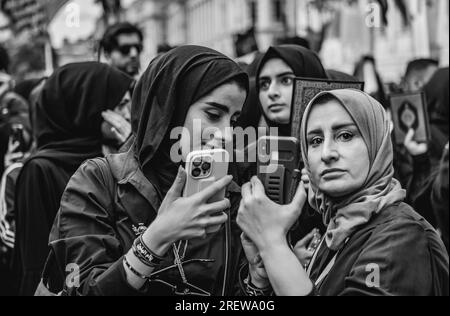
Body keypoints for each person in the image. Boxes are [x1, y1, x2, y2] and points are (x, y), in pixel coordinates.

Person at [41, 46, 249, 296]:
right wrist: (155, 239)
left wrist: (258, 280)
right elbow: (80, 288)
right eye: (213, 114)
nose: (227, 134)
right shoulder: (99, 181)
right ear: (171, 108)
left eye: (234, 120)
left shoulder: (231, 196)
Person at [237, 89, 449, 296]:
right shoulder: (338, 225)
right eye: (315, 141)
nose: (327, 153)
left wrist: (273, 244)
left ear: (376, 142)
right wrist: (261, 280)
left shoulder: (401, 234)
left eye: (346, 135)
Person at [14, 62, 134, 296]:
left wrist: (129, 149)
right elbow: (36, 264)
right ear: (87, 107)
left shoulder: (110, 157)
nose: (126, 115)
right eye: (120, 105)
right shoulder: (40, 170)